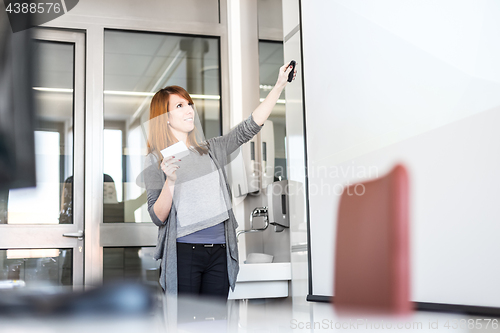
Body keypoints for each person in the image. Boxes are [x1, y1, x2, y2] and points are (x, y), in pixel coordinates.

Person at [144, 62, 297, 299]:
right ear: (164, 118)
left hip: (219, 252)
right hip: (185, 253)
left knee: (216, 322)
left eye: (189, 104)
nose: (189, 110)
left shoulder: (211, 149)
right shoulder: (156, 160)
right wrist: (171, 181)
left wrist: (278, 86)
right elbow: (158, 217)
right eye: (180, 105)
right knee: (187, 323)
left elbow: (249, 127)